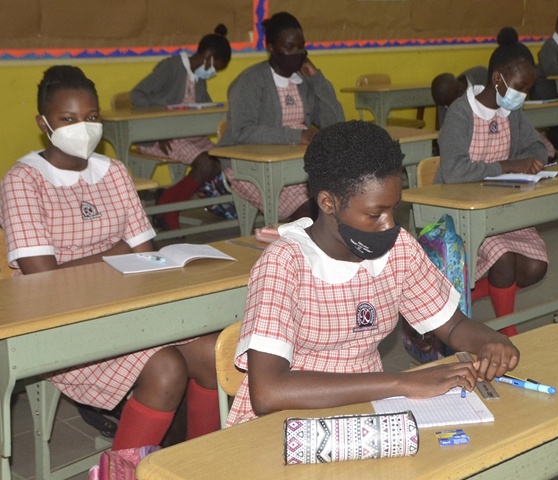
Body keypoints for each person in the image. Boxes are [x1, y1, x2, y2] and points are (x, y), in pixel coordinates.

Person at [225, 121, 519, 425]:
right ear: (329, 203)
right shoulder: (285, 263)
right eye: (374, 214)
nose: (389, 225)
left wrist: (490, 342)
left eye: (394, 210)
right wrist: (401, 383)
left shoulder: (399, 249)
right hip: (286, 420)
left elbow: (453, 325)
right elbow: (269, 392)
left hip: (368, 409)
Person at [0, 66, 221, 450]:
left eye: (90, 118)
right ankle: (119, 472)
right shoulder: (23, 181)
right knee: (166, 369)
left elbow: (146, 258)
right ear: (43, 122)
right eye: (67, 119)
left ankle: (193, 464)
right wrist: (116, 254)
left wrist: (112, 259)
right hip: (61, 321)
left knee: (212, 351)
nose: (81, 128)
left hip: (127, 305)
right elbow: (43, 281)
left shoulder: (114, 171)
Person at [434, 27, 550, 337]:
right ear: (498, 78)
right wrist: (510, 165)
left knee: (535, 268)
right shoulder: (461, 114)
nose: (523, 95)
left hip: (500, 207)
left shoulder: (510, 112)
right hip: (460, 212)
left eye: (528, 88)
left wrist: (532, 159)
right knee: (504, 258)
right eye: (520, 86)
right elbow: (455, 171)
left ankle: (468, 295)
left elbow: (539, 147)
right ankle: (505, 330)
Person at [218, 11, 345, 221]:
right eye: (289, 47)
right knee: (314, 210)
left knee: (342, 201)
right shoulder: (250, 81)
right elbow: (242, 132)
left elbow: (336, 123)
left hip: (296, 164)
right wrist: (298, 136)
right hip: (250, 167)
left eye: (301, 46)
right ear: (271, 49)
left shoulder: (303, 81)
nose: (297, 52)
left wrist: (318, 78)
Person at [130, 24, 231, 231]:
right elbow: (137, 95)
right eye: (215, 67)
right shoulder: (171, 67)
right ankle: (169, 207)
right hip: (159, 137)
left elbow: (201, 107)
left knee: (219, 161)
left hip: (187, 135)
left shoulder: (198, 77)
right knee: (204, 164)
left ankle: (167, 199)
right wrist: (161, 130)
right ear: (208, 56)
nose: (213, 72)